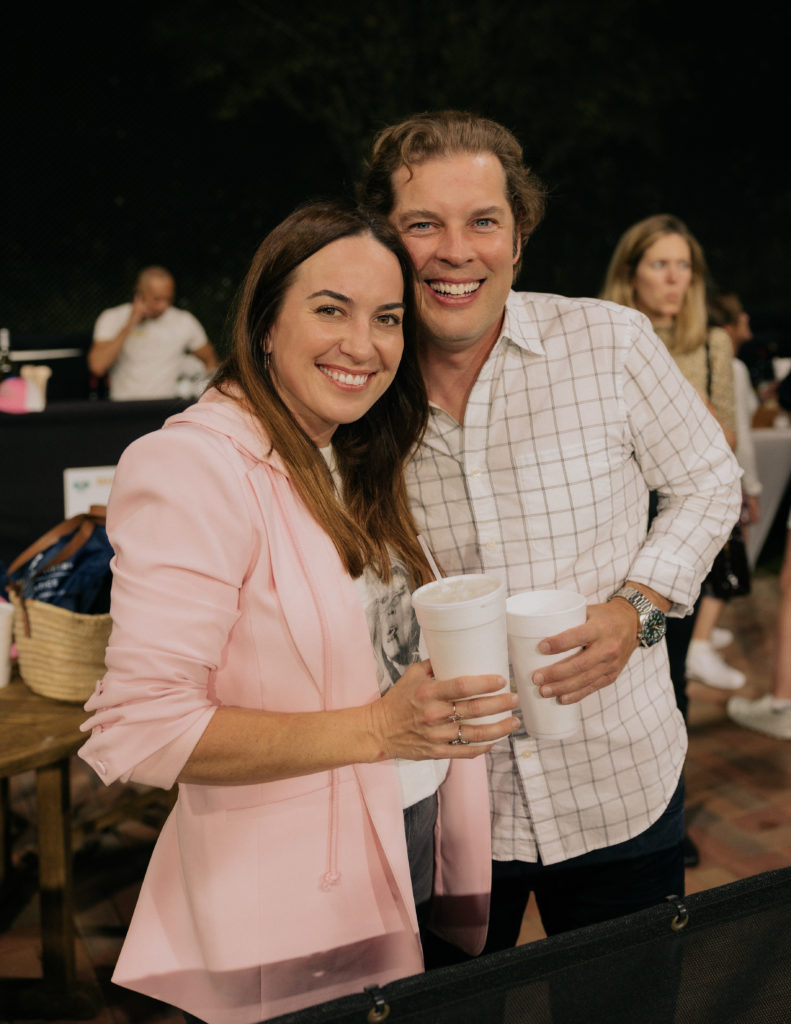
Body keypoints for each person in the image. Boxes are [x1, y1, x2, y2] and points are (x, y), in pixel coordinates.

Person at [78, 201, 519, 1023]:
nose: (364, 344)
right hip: (295, 882)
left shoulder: (354, 448)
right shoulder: (192, 466)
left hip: (411, 824)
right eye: (330, 309)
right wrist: (378, 731)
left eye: (387, 317)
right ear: (264, 324)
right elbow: (143, 728)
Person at [358, 110, 742, 948]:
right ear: (384, 244)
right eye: (422, 224)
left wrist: (636, 606)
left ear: (518, 237)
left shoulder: (607, 342)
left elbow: (708, 480)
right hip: (446, 803)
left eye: (482, 222)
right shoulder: (355, 384)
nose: (455, 250)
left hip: (617, 778)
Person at [602, 216, 746, 696]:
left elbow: (728, 443)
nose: (672, 278)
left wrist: (690, 410)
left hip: (676, 520)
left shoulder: (711, 342)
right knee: (611, 667)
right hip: (613, 520)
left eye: (682, 265)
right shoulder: (603, 337)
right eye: (660, 263)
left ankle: (672, 769)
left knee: (669, 663)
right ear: (630, 271)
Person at [88, 265, 219, 400]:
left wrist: (197, 391)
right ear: (139, 293)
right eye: (157, 299)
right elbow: (98, 366)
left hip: (166, 408)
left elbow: (211, 361)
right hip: (123, 408)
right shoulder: (112, 317)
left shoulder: (184, 321)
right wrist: (131, 323)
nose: (164, 306)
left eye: (168, 299)